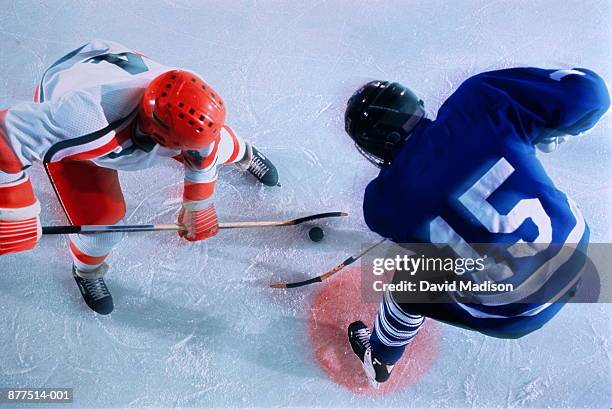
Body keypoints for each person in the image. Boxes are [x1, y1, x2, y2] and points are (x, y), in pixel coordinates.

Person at [343, 68, 609, 387]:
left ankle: (381, 359)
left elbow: (422, 231)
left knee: (408, 284)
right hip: (579, 252)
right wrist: (554, 129)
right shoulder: (478, 101)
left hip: (520, 311)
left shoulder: (380, 204)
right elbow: (590, 94)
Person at [0, 39, 279, 315]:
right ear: (158, 135)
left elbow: (206, 147)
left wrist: (198, 203)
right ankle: (87, 270)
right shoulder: (84, 120)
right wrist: (15, 210)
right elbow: (4, 136)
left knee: (219, 147)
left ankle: (245, 153)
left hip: (103, 70)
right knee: (102, 227)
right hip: (69, 111)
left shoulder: (191, 101)